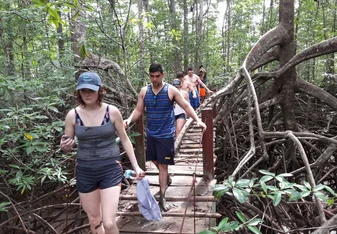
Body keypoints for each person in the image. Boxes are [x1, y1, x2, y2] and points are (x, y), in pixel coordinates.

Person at [60, 71, 145, 234]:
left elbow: (125, 139)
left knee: (109, 222)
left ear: (100, 90)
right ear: (78, 91)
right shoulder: (72, 115)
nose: (87, 94)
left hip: (109, 168)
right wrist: (65, 146)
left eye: (91, 90)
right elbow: (66, 144)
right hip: (85, 170)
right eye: (83, 90)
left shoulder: (112, 112)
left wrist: (136, 167)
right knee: (94, 220)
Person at [124, 63, 207, 212]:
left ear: (162, 75)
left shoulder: (171, 90)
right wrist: (129, 120)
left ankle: (162, 196)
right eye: (152, 76)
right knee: (155, 161)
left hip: (166, 134)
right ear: (149, 76)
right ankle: (166, 178)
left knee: (163, 165)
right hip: (151, 134)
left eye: (157, 76)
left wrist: (198, 120)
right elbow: (138, 110)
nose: (155, 79)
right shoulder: (144, 91)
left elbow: (187, 106)